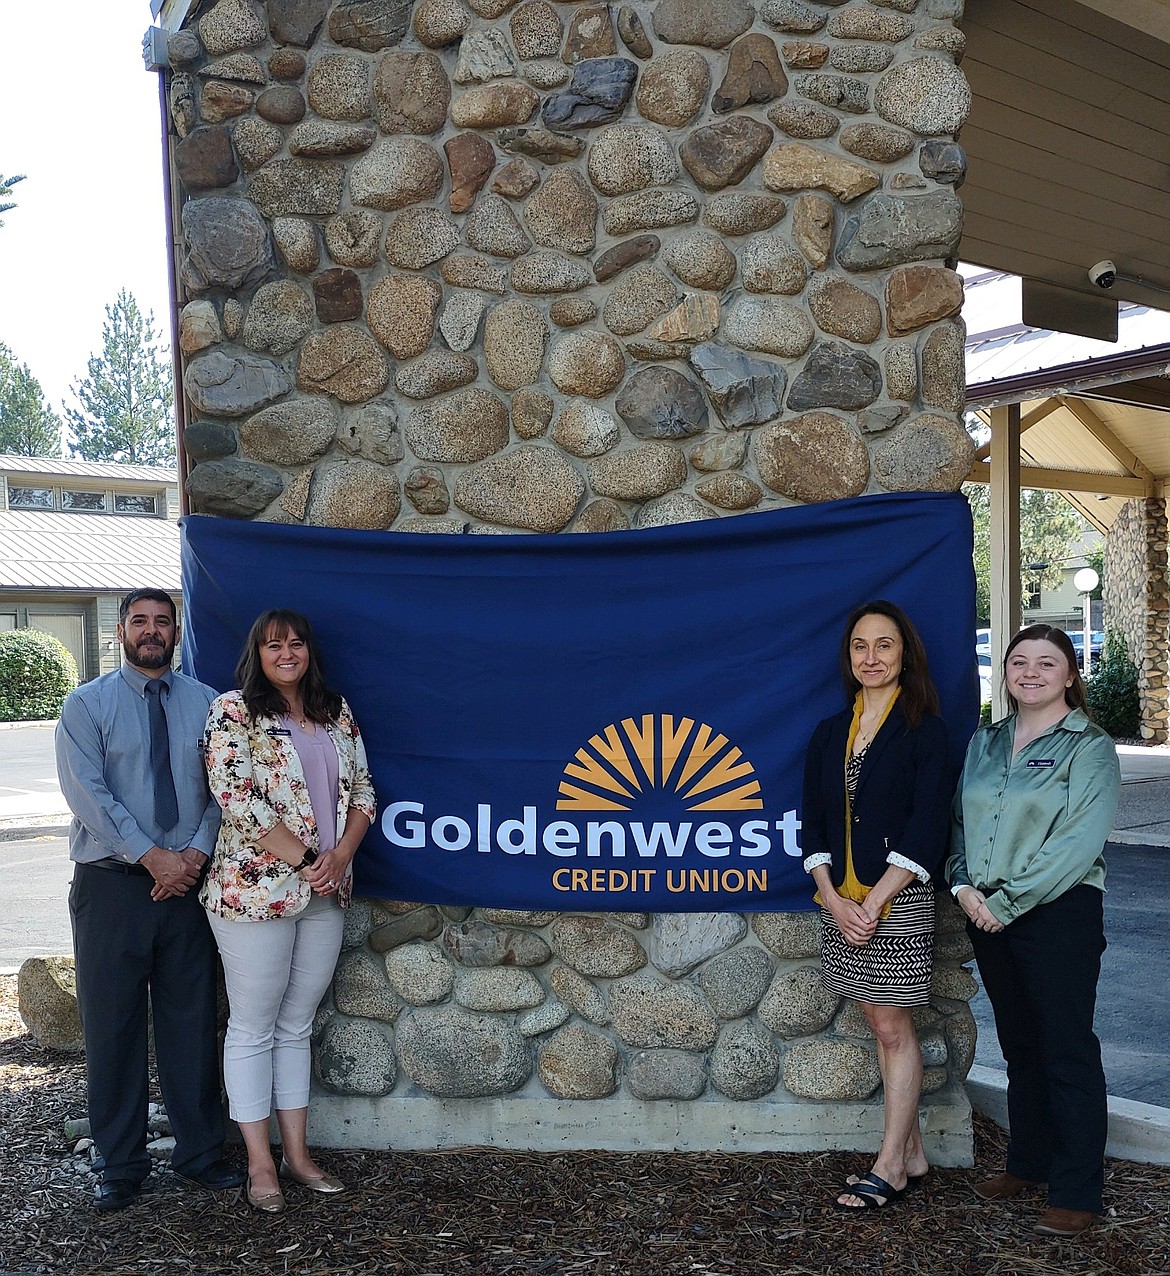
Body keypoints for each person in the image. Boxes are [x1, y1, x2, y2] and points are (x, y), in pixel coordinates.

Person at [55, 588, 244, 1212]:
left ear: (176, 631)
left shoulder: (211, 706)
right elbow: (89, 795)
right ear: (121, 632)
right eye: (140, 621)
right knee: (112, 1027)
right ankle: (121, 1162)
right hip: (111, 887)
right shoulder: (85, 706)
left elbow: (226, 789)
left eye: (163, 621)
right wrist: (151, 855)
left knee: (191, 1023)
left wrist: (191, 856)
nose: (152, 631)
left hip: (190, 886)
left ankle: (198, 1154)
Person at [201, 609, 376, 1213]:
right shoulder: (234, 711)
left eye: (295, 643)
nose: (286, 653)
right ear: (258, 652)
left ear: (309, 652)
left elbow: (364, 792)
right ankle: (258, 1163)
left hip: (327, 890)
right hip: (254, 894)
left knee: (296, 1025)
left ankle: (297, 1156)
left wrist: (341, 856)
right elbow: (236, 799)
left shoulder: (335, 710)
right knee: (253, 1027)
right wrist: (306, 859)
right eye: (274, 645)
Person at [948, 624, 1120, 1238]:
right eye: (1018, 661)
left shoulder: (1089, 747)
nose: (1030, 672)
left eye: (1047, 663)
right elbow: (960, 824)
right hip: (985, 907)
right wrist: (963, 885)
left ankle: (1077, 1191)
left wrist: (1009, 902)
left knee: (1066, 1047)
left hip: (1056, 914)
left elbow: (1077, 843)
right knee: (1020, 1042)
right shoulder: (986, 742)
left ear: (1070, 674)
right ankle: (1029, 1162)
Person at [802, 600, 953, 1210]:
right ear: (849, 657)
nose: (871, 657)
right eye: (860, 646)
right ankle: (912, 1151)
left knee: (892, 1028)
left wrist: (877, 900)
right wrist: (835, 900)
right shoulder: (829, 732)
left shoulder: (926, 730)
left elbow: (928, 824)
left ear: (905, 654)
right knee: (878, 1021)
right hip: (842, 902)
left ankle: (889, 1164)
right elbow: (810, 820)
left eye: (884, 645)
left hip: (899, 899)